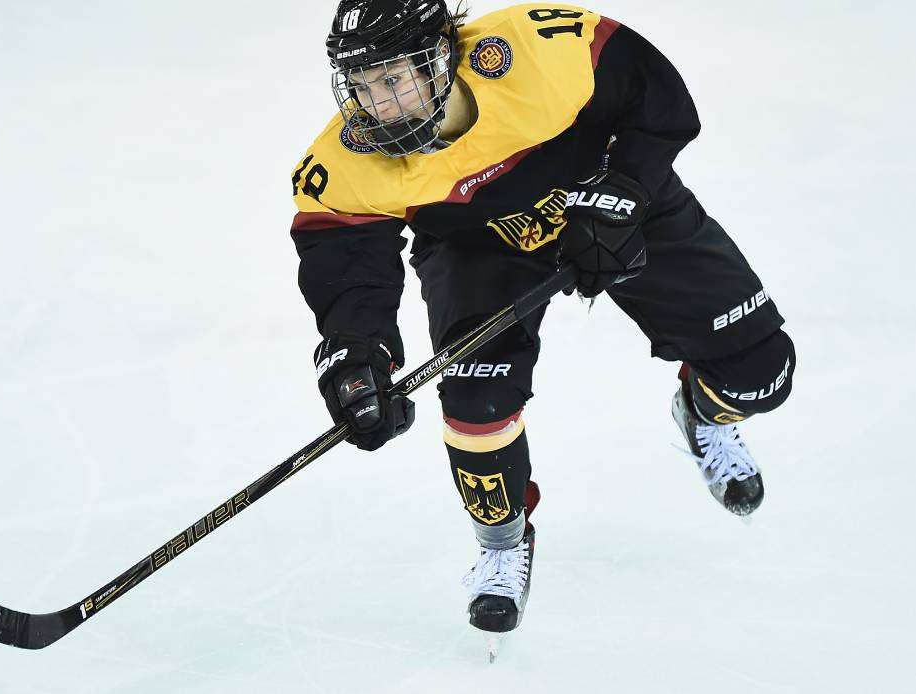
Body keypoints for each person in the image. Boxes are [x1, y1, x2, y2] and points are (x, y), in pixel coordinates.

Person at [289, 0, 796, 637]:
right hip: (478, 244)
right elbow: (349, 270)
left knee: (762, 375)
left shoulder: (534, 50)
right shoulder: (342, 163)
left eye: (393, 80)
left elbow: (655, 94)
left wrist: (625, 190)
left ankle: (703, 410)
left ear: (440, 54)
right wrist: (358, 354)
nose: (379, 107)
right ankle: (502, 542)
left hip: (610, 201)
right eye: (362, 87)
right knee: (476, 403)